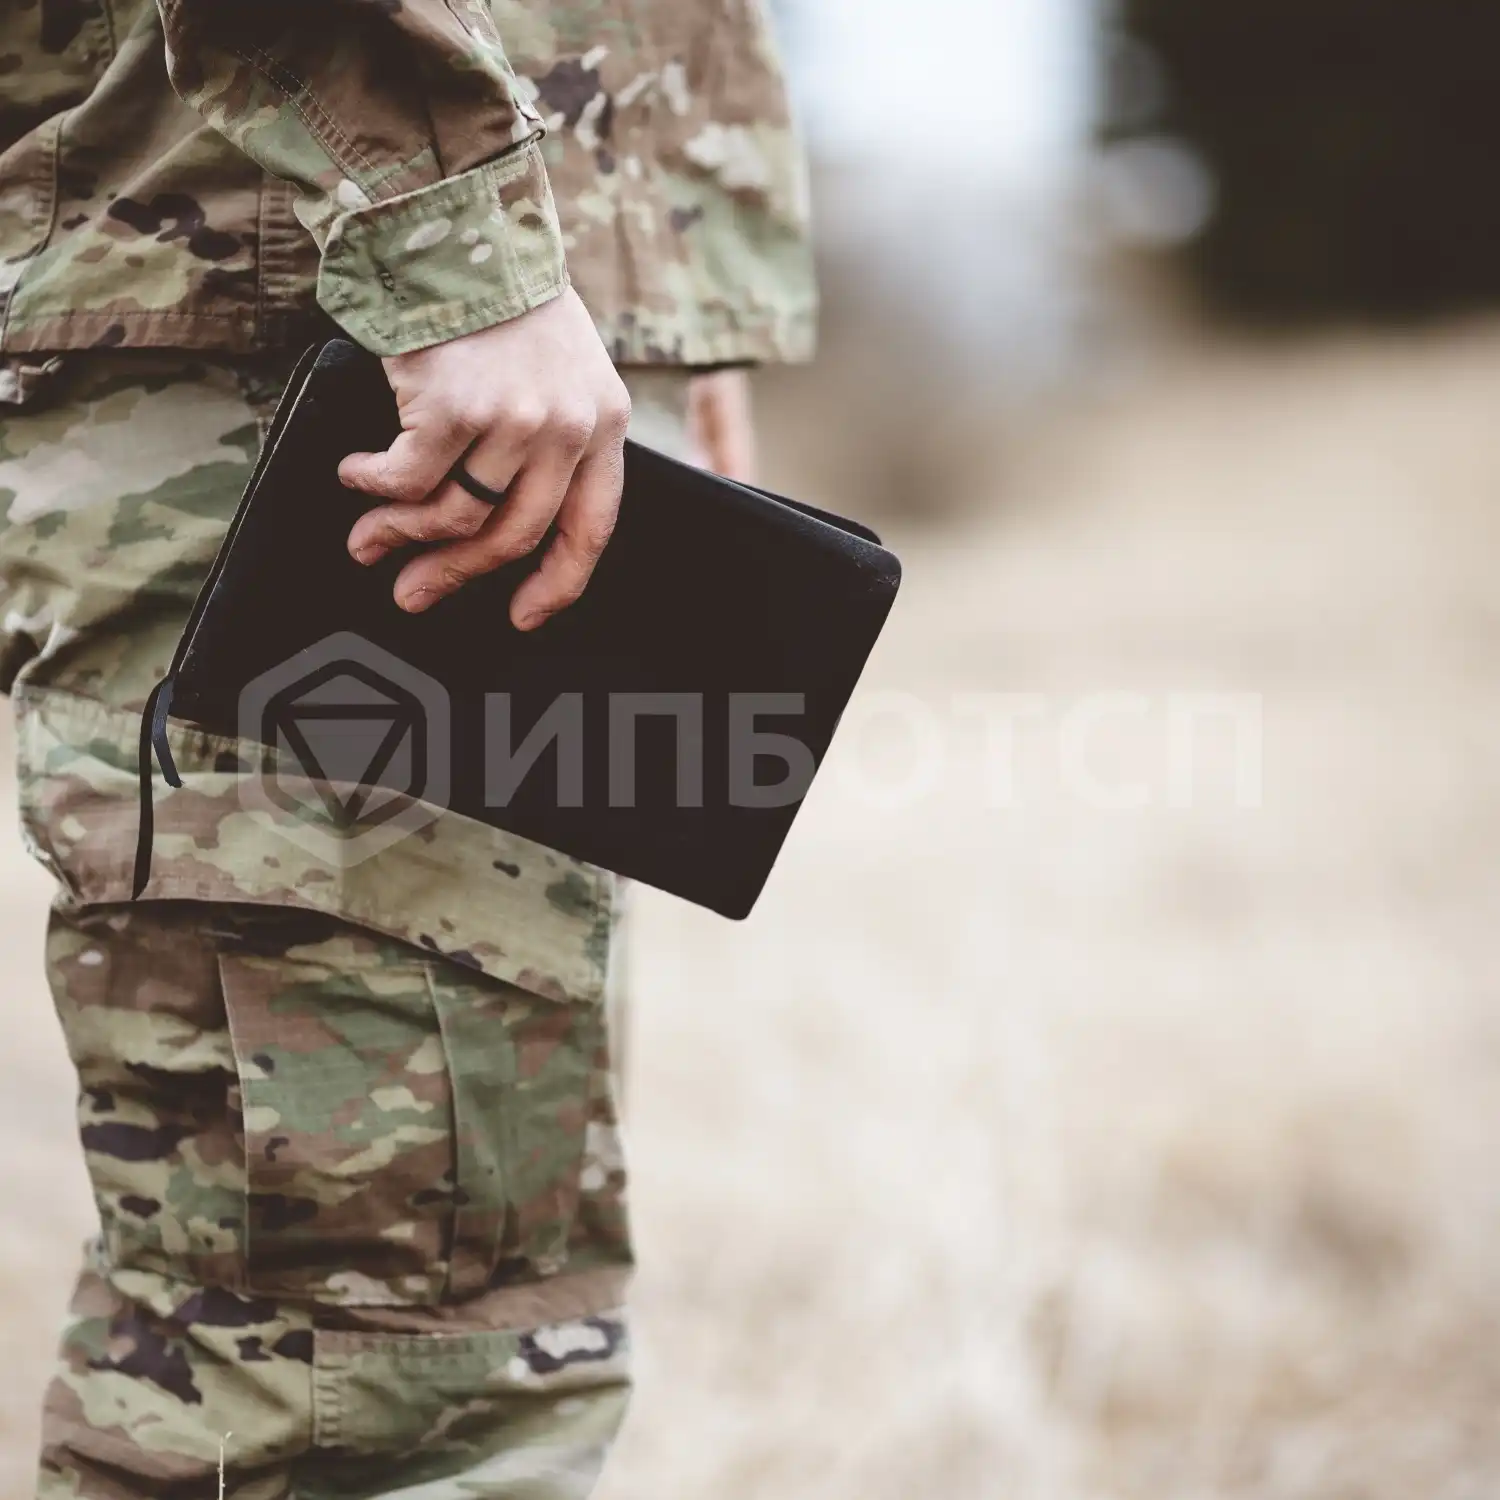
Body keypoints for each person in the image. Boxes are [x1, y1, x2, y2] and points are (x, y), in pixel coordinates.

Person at [0, 1, 814, 1495]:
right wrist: (459, 243)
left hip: (461, 321)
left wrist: (654, 272)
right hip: (320, 315)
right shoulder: (428, 251)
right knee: (352, 1380)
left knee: (474, 1331)